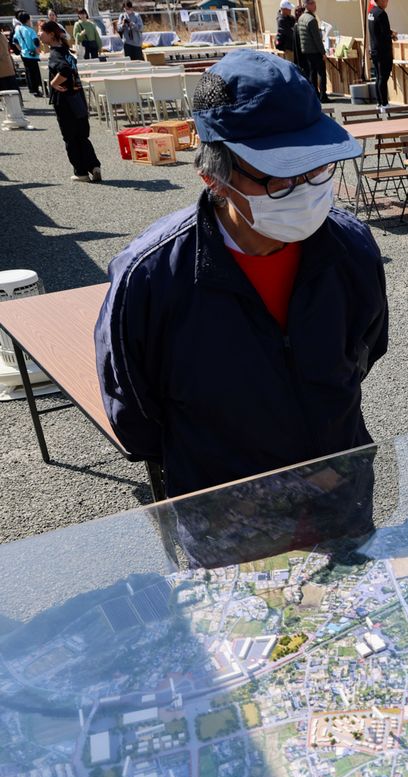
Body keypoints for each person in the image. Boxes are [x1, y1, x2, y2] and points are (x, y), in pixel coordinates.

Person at [95, 50, 388, 499]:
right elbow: (135, 416)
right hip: (225, 512)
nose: (308, 188)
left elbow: (366, 350)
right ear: (214, 176)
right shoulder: (152, 279)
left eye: (319, 165)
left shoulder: (349, 248)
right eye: (279, 176)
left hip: (340, 487)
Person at [40, 21, 101, 182]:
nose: (39, 35)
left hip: (65, 102)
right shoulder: (67, 52)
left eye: (42, 32)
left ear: (51, 34)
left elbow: (64, 70)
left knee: (70, 137)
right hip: (78, 98)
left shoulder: (55, 54)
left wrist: (53, 83)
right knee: (82, 136)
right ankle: (94, 165)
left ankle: (81, 172)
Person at [297, 0, 330, 102]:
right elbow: (317, 39)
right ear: (307, 5)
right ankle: (323, 96)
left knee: (312, 73)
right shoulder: (312, 19)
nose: (315, 5)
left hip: (306, 50)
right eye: (312, 3)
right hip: (315, 50)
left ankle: (315, 94)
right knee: (321, 73)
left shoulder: (301, 18)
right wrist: (323, 53)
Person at [367, 0, 396, 108]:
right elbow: (384, 33)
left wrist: (389, 32)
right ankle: (384, 103)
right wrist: (392, 35)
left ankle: (380, 102)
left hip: (375, 49)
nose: (387, 2)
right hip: (383, 51)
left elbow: (377, 30)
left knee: (379, 77)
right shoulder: (381, 13)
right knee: (383, 77)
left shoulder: (371, 12)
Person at [12, 13, 41, 98]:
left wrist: (21, 49)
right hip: (32, 54)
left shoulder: (18, 29)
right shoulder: (30, 30)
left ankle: (31, 89)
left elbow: (15, 41)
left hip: (24, 54)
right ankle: (36, 90)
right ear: (28, 20)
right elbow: (36, 41)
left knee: (28, 72)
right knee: (35, 73)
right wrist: (37, 51)